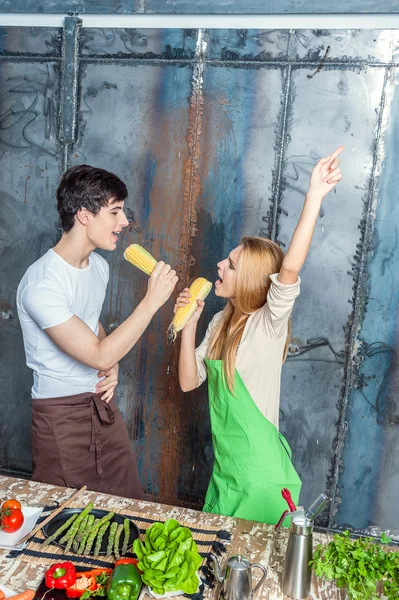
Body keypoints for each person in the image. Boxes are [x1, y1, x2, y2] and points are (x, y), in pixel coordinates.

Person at [175, 147, 343, 524]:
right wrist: (188, 326)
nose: (220, 264)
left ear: (249, 278)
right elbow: (188, 381)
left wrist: (314, 195)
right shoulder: (219, 322)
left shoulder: (268, 323)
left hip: (260, 481)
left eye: (231, 265)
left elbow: (291, 267)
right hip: (226, 477)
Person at [17, 165, 178, 499]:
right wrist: (151, 302)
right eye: (115, 211)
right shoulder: (42, 284)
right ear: (85, 215)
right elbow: (95, 353)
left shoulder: (99, 267)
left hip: (101, 408)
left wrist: (111, 362)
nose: (124, 222)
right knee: (62, 528)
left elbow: (90, 327)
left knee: (126, 512)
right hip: (60, 419)